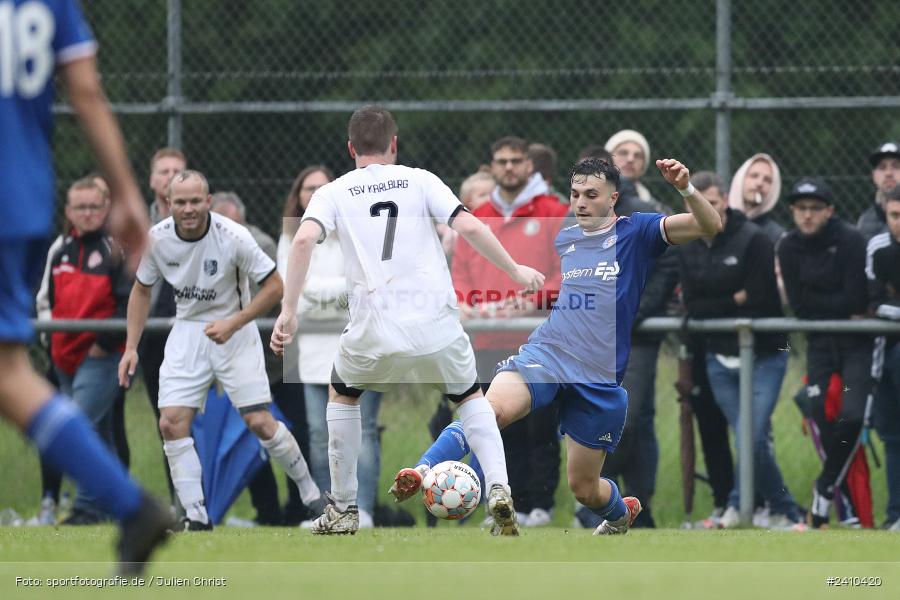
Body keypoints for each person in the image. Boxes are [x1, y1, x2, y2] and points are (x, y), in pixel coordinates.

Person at [390, 156, 723, 536]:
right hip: (549, 352)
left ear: (613, 197)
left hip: (597, 374)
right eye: (575, 194)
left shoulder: (638, 231)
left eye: (591, 195)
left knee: (585, 489)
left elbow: (709, 225)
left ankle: (617, 513)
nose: (580, 202)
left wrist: (685, 188)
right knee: (489, 410)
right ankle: (422, 470)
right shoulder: (567, 237)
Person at [271, 105, 545, 536]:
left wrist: (288, 310)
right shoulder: (421, 180)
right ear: (394, 145)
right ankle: (498, 491)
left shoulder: (334, 191)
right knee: (471, 399)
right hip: (435, 324)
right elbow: (469, 228)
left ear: (351, 148)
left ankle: (343, 509)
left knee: (343, 395)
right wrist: (516, 271)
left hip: (372, 330)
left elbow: (304, 238)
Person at [0, 0, 170, 573]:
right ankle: (131, 506)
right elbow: (87, 91)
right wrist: (125, 193)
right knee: (9, 374)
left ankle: (129, 504)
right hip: (20, 201)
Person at [119, 170, 326, 530]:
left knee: (259, 422)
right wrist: (130, 347)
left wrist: (234, 322)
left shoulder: (234, 237)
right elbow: (141, 290)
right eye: (180, 202)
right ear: (168, 204)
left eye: (195, 201)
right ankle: (196, 515)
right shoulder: (157, 240)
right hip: (187, 332)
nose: (188, 208)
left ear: (208, 201)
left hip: (235, 331)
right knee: (170, 423)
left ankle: (312, 495)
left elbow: (275, 287)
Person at [678, 171, 804, 529]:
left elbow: (760, 296)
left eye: (712, 202)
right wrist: (733, 298)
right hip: (719, 355)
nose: (704, 209)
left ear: (725, 202)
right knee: (749, 436)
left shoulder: (754, 238)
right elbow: (692, 303)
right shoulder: (686, 244)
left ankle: (749, 507)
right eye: (694, 203)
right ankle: (781, 510)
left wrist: (715, 301)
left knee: (751, 434)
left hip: (765, 354)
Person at [452, 136, 567, 527]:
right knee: (495, 425)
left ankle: (541, 506)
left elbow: (566, 273)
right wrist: (466, 303)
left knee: (539, 427)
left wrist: (534, 300)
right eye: (501, 161)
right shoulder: (477, 215)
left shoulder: (554, 211)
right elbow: (461, 272)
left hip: (540, 342)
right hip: (486, 340)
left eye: (516, 161)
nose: (509, 168)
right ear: (492, 165)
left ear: (529, 166)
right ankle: (506, 502)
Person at [276, 166, 383, 529]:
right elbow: (295, 300)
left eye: (322, 188)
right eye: (308, 188)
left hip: (360, 344)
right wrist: (337, 293)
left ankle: (362, 508)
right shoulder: (291, 237)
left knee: (362, 430)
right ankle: (332, 511)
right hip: (310, 352)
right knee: (320, 433)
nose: (314, 194)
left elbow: (366, 290)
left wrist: (315, 293)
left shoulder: (359, 232)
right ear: (299, 195)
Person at [211, 190, 311, 526]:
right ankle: (267, 512)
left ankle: (302, 506)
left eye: (230, 222)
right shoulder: (205, 245)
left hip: (278, 358)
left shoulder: (260, 243)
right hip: (235, 355)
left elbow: (268, 294)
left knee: (294, 428)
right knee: (248, 432)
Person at [777, 177, 871, 528]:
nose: (807, 216)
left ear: (830, 211)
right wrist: (836, 306)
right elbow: (800, 307)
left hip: (857, 342)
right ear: (792, 212)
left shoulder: (850, 240)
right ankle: (833, 491)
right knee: (818, 411)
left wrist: (830, 305)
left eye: (815, 209)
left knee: (853, 415)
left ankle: (825, 486)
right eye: (801, 209)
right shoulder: (787, 246)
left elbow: (856, 297)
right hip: (818, 342)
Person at [46, 177, 134, 525]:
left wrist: (104, 343)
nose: (87, 213)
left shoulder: (115, 249)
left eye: (94, 206)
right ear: (68, 211)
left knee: (78, 424)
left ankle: (86, 505)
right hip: (63, 354)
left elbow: (127, 302)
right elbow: (51, 302)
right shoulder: (61, 250)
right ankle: (117, 502)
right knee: (98, 432)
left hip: (101, 354)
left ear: (106, 208)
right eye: (80, 207)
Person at [140, 148, 187, 509]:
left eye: (178, 170)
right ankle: (179, 501)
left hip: (193, 333)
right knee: (167, 420)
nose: (170, 176)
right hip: (152, 337)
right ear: (153, 180)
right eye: (164, 170)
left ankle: (203, 502)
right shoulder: (136, 225)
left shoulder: (201, 220)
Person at [866, 184, 900, 529]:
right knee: (893, 438)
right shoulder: (877, 247)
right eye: (895, 215)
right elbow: (873, 303)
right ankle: (895, 516)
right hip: (884, 354)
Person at [726, 153, 784, 245]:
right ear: (740, 178)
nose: (759, 183)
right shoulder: (719, 223)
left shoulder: (777, 237)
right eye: (754, 176)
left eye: (767, 180)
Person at [858, 142, 900, 242]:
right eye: (882, 167)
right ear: (874, 176)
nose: (888, 173)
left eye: (896, 166)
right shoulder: (865, 221)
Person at [605, 129, 654, 202]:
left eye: (638, 155)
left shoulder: (657, 209)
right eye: (623, 153)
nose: (630, 159)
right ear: (608, 157)